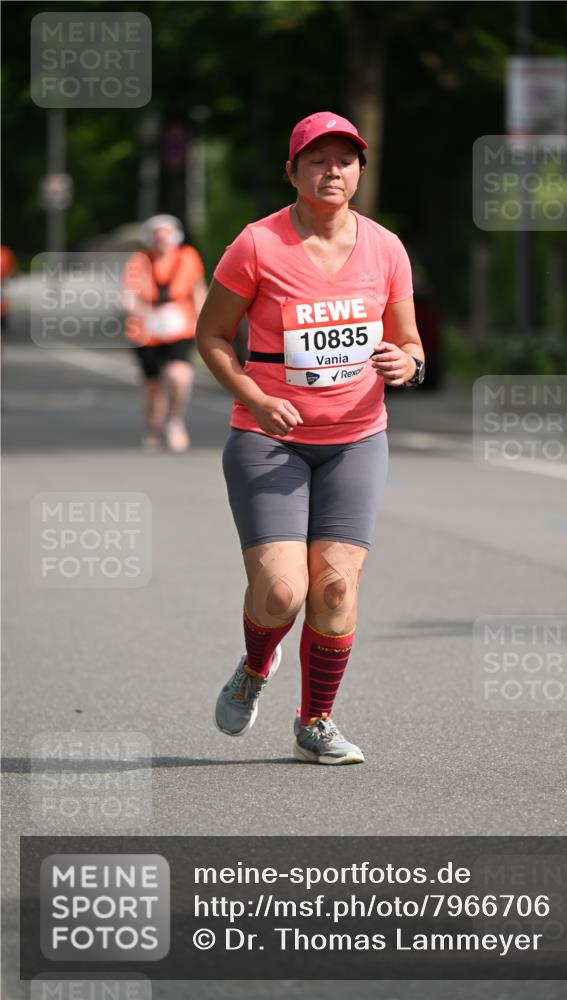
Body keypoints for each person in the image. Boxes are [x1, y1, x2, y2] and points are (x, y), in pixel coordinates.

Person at [196, 111, 426, 764]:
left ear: (359, 172)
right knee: (281, 592)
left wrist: (407, 363)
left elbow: (410, 344)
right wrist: (255, 397)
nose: (333, 171)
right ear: (292, 171)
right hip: (268, 438)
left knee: (334, 588)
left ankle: (315, 721)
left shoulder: (385, 248)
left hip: (356, 440)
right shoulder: (256, 245)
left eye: (345, 160)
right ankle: (254, 667)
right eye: (318, 160)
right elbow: (211, 335)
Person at [123, 215, 207, 452]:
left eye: (166, 235)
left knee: (179, 374)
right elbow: (128, 296)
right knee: (153, 385)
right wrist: (145, 313)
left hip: (180, 326)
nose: (162, 240)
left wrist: (204, 323)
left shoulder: (188, 257)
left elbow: (198, 291)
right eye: (157, 236)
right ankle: (153, 427)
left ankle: (175, 419)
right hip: (146, 330)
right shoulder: (138, 261)